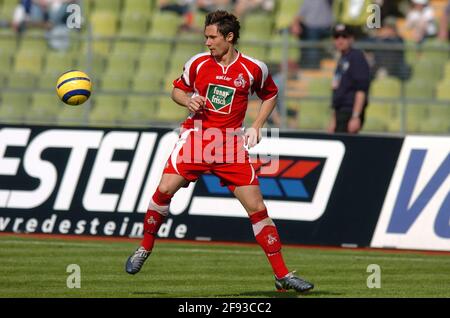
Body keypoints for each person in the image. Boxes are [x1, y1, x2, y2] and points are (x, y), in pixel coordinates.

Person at [125, 10, 314, 293]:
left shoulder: (253, 69)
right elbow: (176, 90)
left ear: (229, 37)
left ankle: (282, 275)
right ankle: (144, 248)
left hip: (230, 145)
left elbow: (270, 94)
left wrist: (258, 125)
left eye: (212, 37)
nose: (207, 42)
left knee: (258, 209)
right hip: (197, 139)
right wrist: (187, 100)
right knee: (164, 190)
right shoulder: (198, 63)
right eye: (206, 37)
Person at [328, 24, 371, 134]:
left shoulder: (356, 57)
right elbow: (337, 89)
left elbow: (361, 89)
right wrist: (333, 119)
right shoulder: (342, 59)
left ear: (351, 39)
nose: (340, 40)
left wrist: (356, 116)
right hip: (340, 112)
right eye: (337, 37)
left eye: (344, 36)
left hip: (350, 112)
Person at [290, 0, 334, 69]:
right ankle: (313, 67)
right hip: (312, 28)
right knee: (313, 51)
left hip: (328, 27)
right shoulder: (308, 1)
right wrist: (295, 24)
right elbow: (300, 14)